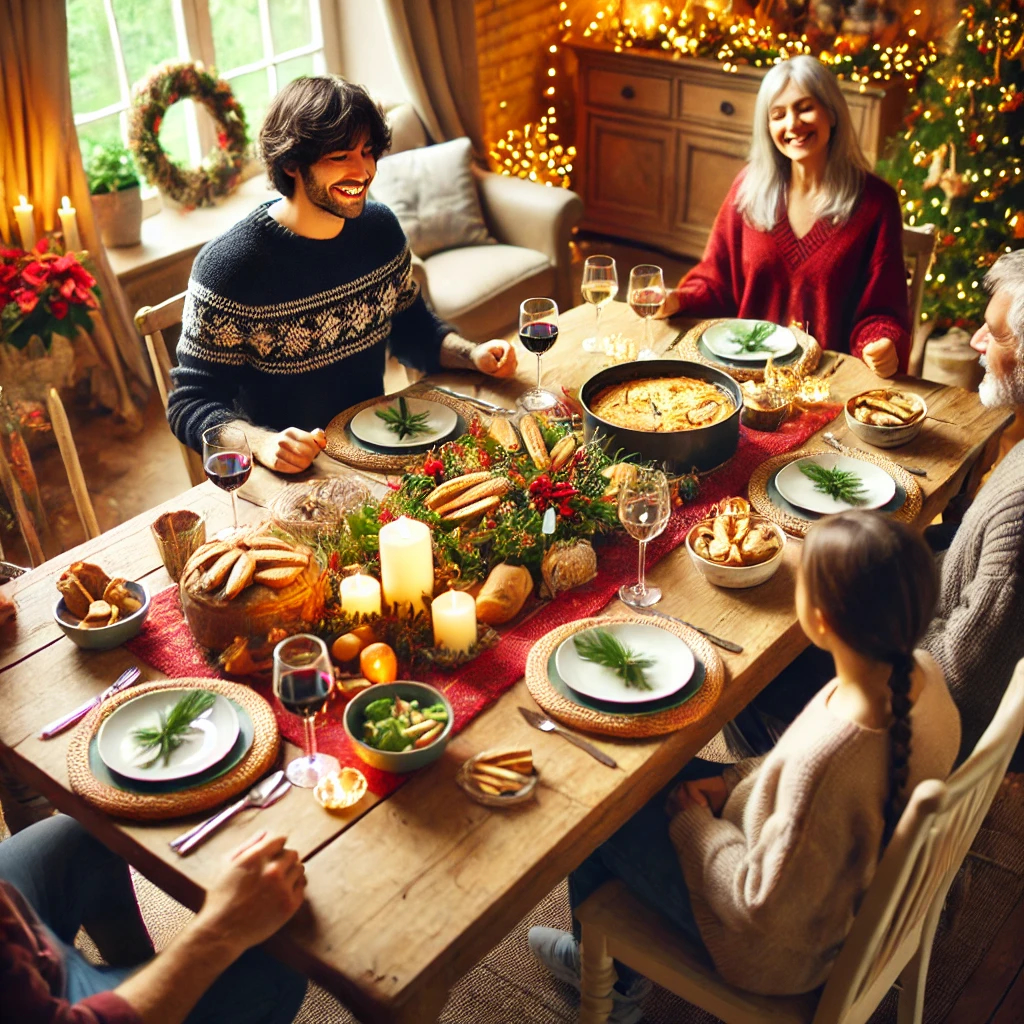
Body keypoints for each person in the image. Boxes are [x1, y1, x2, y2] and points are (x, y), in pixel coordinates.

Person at [529, 512, 960, 1021]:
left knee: (600, 812)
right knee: (646, 781)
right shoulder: (922, 677)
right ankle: (609, 963)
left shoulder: (831, 762)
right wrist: (731, 778)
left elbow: (759, 910)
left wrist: (696, 828)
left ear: (821, 619)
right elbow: (799, 774)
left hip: (774, 951)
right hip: (828, 890)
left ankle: (609, 984)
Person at [167, 75, 517, 474]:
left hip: (373, 453)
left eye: (367, 152)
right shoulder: (230, 267)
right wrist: (262, 444)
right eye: (340, 157)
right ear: (291, 164)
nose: (363, 171)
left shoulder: (380, 229)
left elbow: (414, 331)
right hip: (288, 474)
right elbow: (190, 403)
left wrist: (472, 355)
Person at [657, 55, 910, 378]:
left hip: (827, 384)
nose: (792, 124)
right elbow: (716, 282)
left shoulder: (876, 203)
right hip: (747, 379)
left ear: (832, 112)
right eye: (778, 115)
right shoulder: (747, 189)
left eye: (805, 108)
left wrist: (881, 343)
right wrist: (678, 300)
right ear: (767, 126)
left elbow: (882, 310)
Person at [0, 814, 307, 1023]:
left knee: (84, 831)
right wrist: (221, 928)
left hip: (14, 929)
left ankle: (137, 966)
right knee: (279, 963)